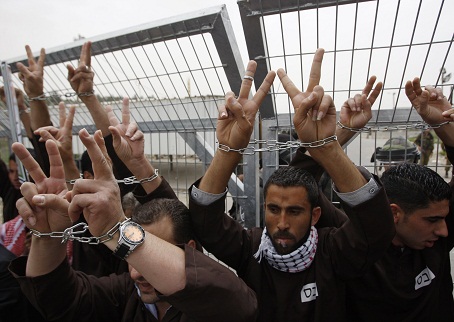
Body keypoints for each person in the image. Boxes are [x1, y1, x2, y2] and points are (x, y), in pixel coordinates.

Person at [188, 50, 395, 321]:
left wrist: (327, 146)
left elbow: (374, 229)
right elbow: (207, 223)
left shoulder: (331, 253)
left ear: (315, 215)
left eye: (295, 211)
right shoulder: (250, 250)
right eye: (274, 209)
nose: (282, 222)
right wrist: (227, 150)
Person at [9, 130, 258, 322]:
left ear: (189, 249)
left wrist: (116, 229)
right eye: (130, 255)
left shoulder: (210, 303)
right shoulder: (125, 293)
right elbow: (58, 299)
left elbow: (239, 304)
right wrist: (47, 235)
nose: (137, 273)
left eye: (145, 252)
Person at [321, 77, 454, 321]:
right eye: (432, 220)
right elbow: (301, 187)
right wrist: (339, 134)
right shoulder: (351, 245)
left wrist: (444, 125)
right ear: (394, 213)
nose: (444, 231)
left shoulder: (435, 239)